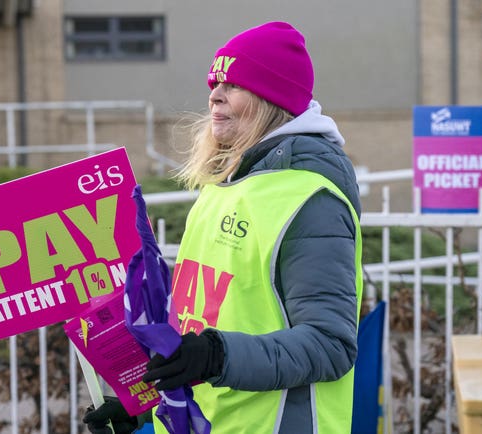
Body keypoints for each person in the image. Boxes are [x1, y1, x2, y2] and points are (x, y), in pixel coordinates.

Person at [84, 21, 363, 434]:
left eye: (232, 84)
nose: (214, 95)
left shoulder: (310, 199)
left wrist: (216, 357)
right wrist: (145, 404)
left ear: (271, 98)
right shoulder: (221, 188)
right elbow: (196, 326)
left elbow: (330, 345)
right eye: (214, 82)